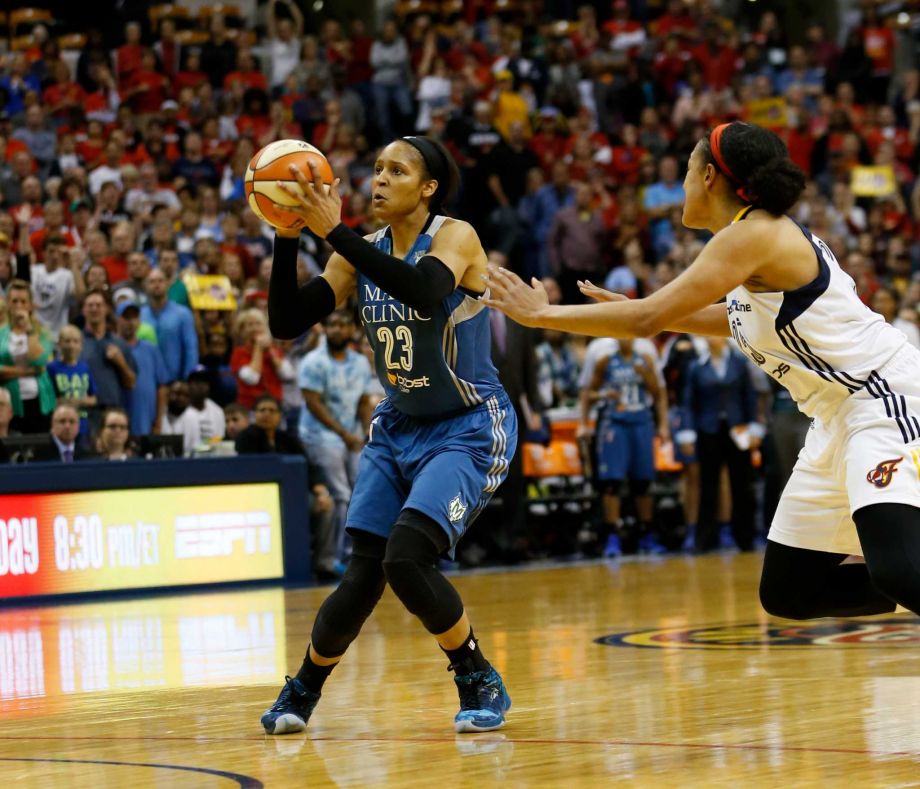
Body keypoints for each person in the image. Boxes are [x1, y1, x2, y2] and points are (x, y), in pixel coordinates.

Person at [482, 120, 920, 624]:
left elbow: (646, 323)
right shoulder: (752, 240)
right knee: (791, 591)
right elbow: (732, 321)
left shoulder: (752, 235)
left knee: (899, 571)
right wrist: (646, 306)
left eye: (688, 170)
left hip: (881, 399)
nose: (683, 185)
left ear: (709, 176)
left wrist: (542, 315)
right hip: (833, 419)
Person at [261, 136, 516, 736]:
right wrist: (286, 232)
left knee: (408, 556)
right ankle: (303, 688)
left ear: (427, 188)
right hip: (398, 426)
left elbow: (425, 293)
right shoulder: (358, 253)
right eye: (375, 169)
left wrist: (333, 233)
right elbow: (284, 322)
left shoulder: (456, 236)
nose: (378, 179)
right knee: (363, 573)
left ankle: (475, 673)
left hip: (469, 426)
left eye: (395, 171)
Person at [298, 309, 375, 571]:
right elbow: (313, 404)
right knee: (340, 494)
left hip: (353, 435)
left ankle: (358, 553)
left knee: (362, 489)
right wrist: (345, 435)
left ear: (352, 330)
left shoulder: (360, 362)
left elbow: (364, 401)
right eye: (332, 325)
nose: (337, 330)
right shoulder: (312, 361)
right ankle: (334, 558)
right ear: (326, 329)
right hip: (321, 436)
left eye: (343, 325)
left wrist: (366, 433)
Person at [586, 336, 669, 555]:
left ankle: (647, 535)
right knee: (612, 483)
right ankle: (612, 537)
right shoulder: (605, 360)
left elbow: (658, 393)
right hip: (615, 424)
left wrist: (663, 425)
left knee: (643, 482)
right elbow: (588, 393)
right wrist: (603, 396)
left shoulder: (645, 359)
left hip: (641, 422)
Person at [47, 324, 97, 442]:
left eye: (75, 341)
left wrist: (81, 401)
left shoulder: (84, 368)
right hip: (61, 426)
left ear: (81, 345)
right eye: (67, 341)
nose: (71, 346)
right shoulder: (52, 368)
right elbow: (48, 399)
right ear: (59, 344)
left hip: (83, 424)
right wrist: (63, 403)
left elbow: (94, 398)